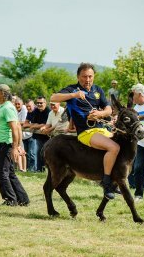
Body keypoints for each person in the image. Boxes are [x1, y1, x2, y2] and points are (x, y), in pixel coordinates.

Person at [50, 62, 119, 199]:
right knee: (114, 147)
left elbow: (109, 109)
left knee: (122, 145)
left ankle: (116, 181)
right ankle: (106, 183)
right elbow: (53, 98)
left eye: (90, 76)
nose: (87, 80)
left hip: (102, 129)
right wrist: (73, 95)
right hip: (86, 132)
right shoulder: (72, 89)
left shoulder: (98, 90)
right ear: (78, 76)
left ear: (94, 76)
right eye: (84, 77)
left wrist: (100, 114)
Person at [0, 84, 29, 206]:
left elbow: (15, 128)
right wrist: (17, 146)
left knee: (1, 173)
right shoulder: (4, 107)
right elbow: (18, 126)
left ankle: (10, 199)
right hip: (5, 144)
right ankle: (22, 199)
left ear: (2, 93)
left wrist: (15, 147)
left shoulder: (7, 108)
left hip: (6, 145)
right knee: (10, 173)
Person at [28, 96, 51, 172]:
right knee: (38, 153)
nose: (39, 104)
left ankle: (48, 170)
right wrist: (36, 125)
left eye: (41, 103)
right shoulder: (35, 111)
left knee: (47, 154)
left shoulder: (48, 111)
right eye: (37, 103)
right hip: (38, 136)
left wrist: (34, 126)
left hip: (48, 137)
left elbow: (45, 124)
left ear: (45, 103)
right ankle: (39, 170)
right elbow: (33, 122)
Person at [22, 99, 37, 172]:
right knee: (27, 153)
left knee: (32, 153)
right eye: (27, 106)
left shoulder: (37, 112)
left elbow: (39, 123)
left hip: (34, 135)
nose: (28, 108)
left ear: (33, 105)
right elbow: (25, 124)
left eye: (30, 106)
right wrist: (33, 125)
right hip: (29, 134)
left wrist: (32, 125)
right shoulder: (29, 113)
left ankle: (33, 169)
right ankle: (28, 169)